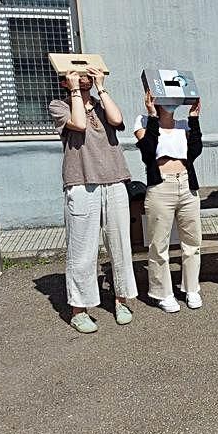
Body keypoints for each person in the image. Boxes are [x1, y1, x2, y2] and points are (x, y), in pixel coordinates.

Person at [49, 68, 137, 333]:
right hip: (81, 182)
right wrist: (75, 90)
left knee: (120, 245)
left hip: (114, 180)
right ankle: (79, 309)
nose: (84, 76)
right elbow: (79, 124)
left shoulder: (102, 103)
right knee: (82, 251)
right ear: (64, 80)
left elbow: (117, 119)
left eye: (87, 73)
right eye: (76, 74)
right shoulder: (59, 105)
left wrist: (101, 87)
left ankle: (121, 300)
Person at [134, 92, 203, 313]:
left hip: (186, 183)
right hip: (161, 186)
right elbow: (147, 152)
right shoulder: (143, 121)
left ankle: (192, 289)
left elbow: (194, 151)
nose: (171, 103)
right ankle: (163, 292)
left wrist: (194, 118)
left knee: (192, 242)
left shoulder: (183, 125)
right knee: (159, 244)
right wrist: (152, 116)